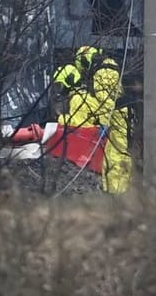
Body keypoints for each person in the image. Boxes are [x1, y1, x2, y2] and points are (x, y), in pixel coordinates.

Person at [53, 45, 131, 194]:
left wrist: (104, 123)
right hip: (117, 118)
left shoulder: (104, 71)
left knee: (118, 157)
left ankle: (120, 194)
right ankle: (113, 192)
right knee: (111, 157)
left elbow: (107, 101)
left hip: (118, 119)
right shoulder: (103, 69)